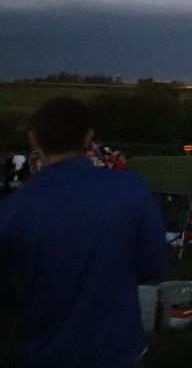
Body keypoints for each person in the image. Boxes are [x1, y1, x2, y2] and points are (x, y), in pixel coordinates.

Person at [0, 97, 167, 367]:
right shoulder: (131, 189)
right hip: (119, 349)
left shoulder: (10, 211)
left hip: (42, 354)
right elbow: (153, 265)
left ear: (33, 138)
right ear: (89, 136)